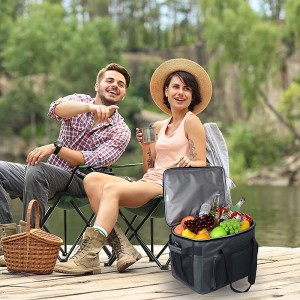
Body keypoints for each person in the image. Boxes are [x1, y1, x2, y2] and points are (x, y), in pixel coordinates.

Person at [54, 58, 213, 275]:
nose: (180, 93)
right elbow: (148, 169)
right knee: (92, 179)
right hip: (150, 181)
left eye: (187, 89)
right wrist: (147, 146)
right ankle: (123, 247)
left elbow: (201, 163)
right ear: (166, 91)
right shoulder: (158, 126)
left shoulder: (192, 121)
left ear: (193, 96)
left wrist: (189, 162)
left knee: (111, 189)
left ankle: (89, 256)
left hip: (171, 186)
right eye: (175, 87)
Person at [0, 63, 142, 271]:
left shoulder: (121, 131)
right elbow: (55, 109)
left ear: (123, 95)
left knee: (38, 170)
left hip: (83, 182)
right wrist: (90, 107)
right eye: (110, 81)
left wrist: (55, 148)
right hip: (49, 174)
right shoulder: (81, 102)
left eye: (121, 85)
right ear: (97, 85)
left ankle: (29, 244)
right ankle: (6, 244)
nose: (115, 86)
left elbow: (87, 160)